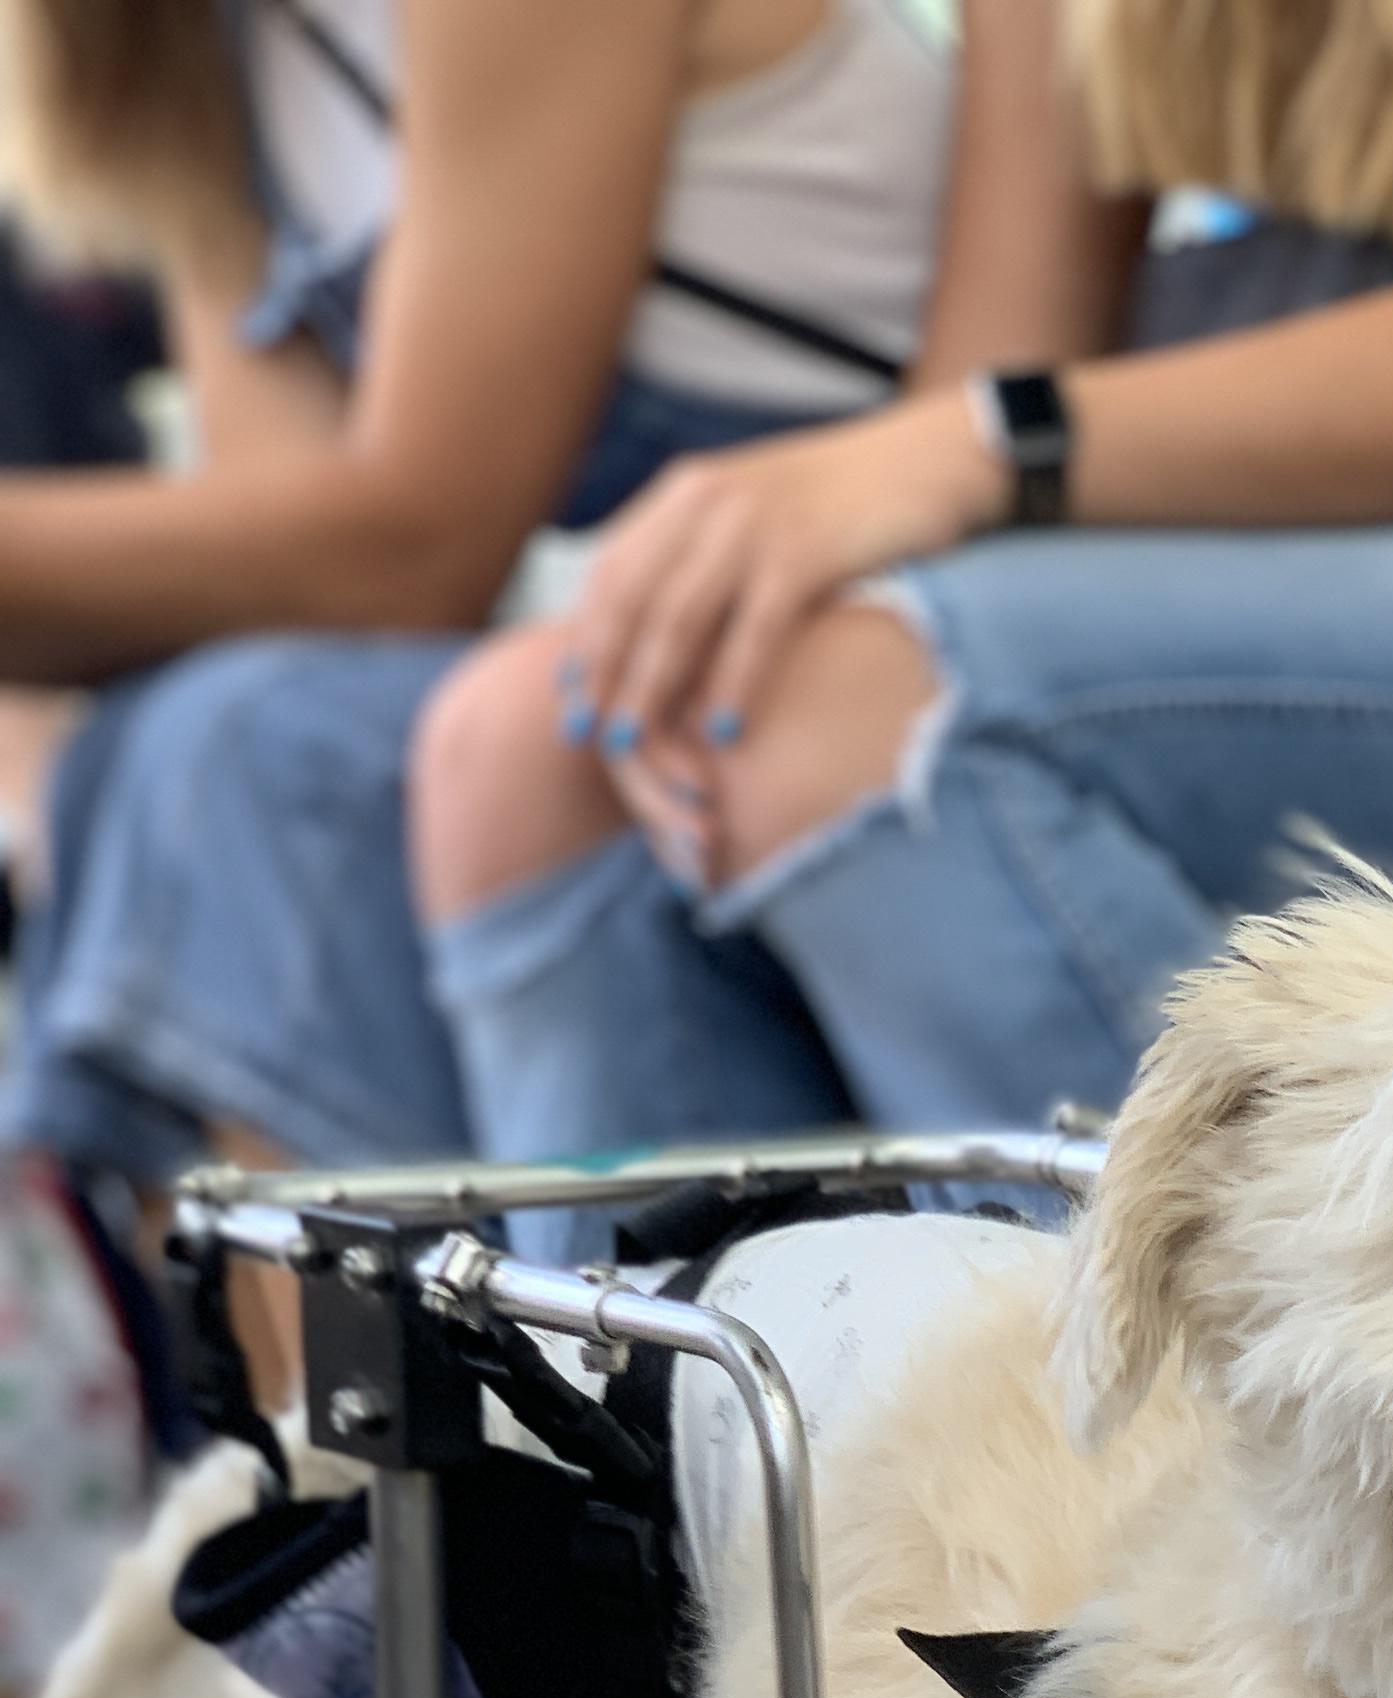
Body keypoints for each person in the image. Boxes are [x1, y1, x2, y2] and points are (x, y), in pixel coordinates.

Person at [405, 0, 1393, 1173]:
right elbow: (996, 370)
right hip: (1391, 556)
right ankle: (677, 1551)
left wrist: (974, 448)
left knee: (866, 717)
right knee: (529, 746)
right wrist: (813, 526)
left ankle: (1232, 1491)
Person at [0, 0, 969, 1207]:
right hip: (649, 641)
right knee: (155, 753)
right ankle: (318, 1383)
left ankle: (474, 1350)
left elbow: (417, 543)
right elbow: (287, 569)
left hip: (879, 599)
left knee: (238, 759)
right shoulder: (203, 58)